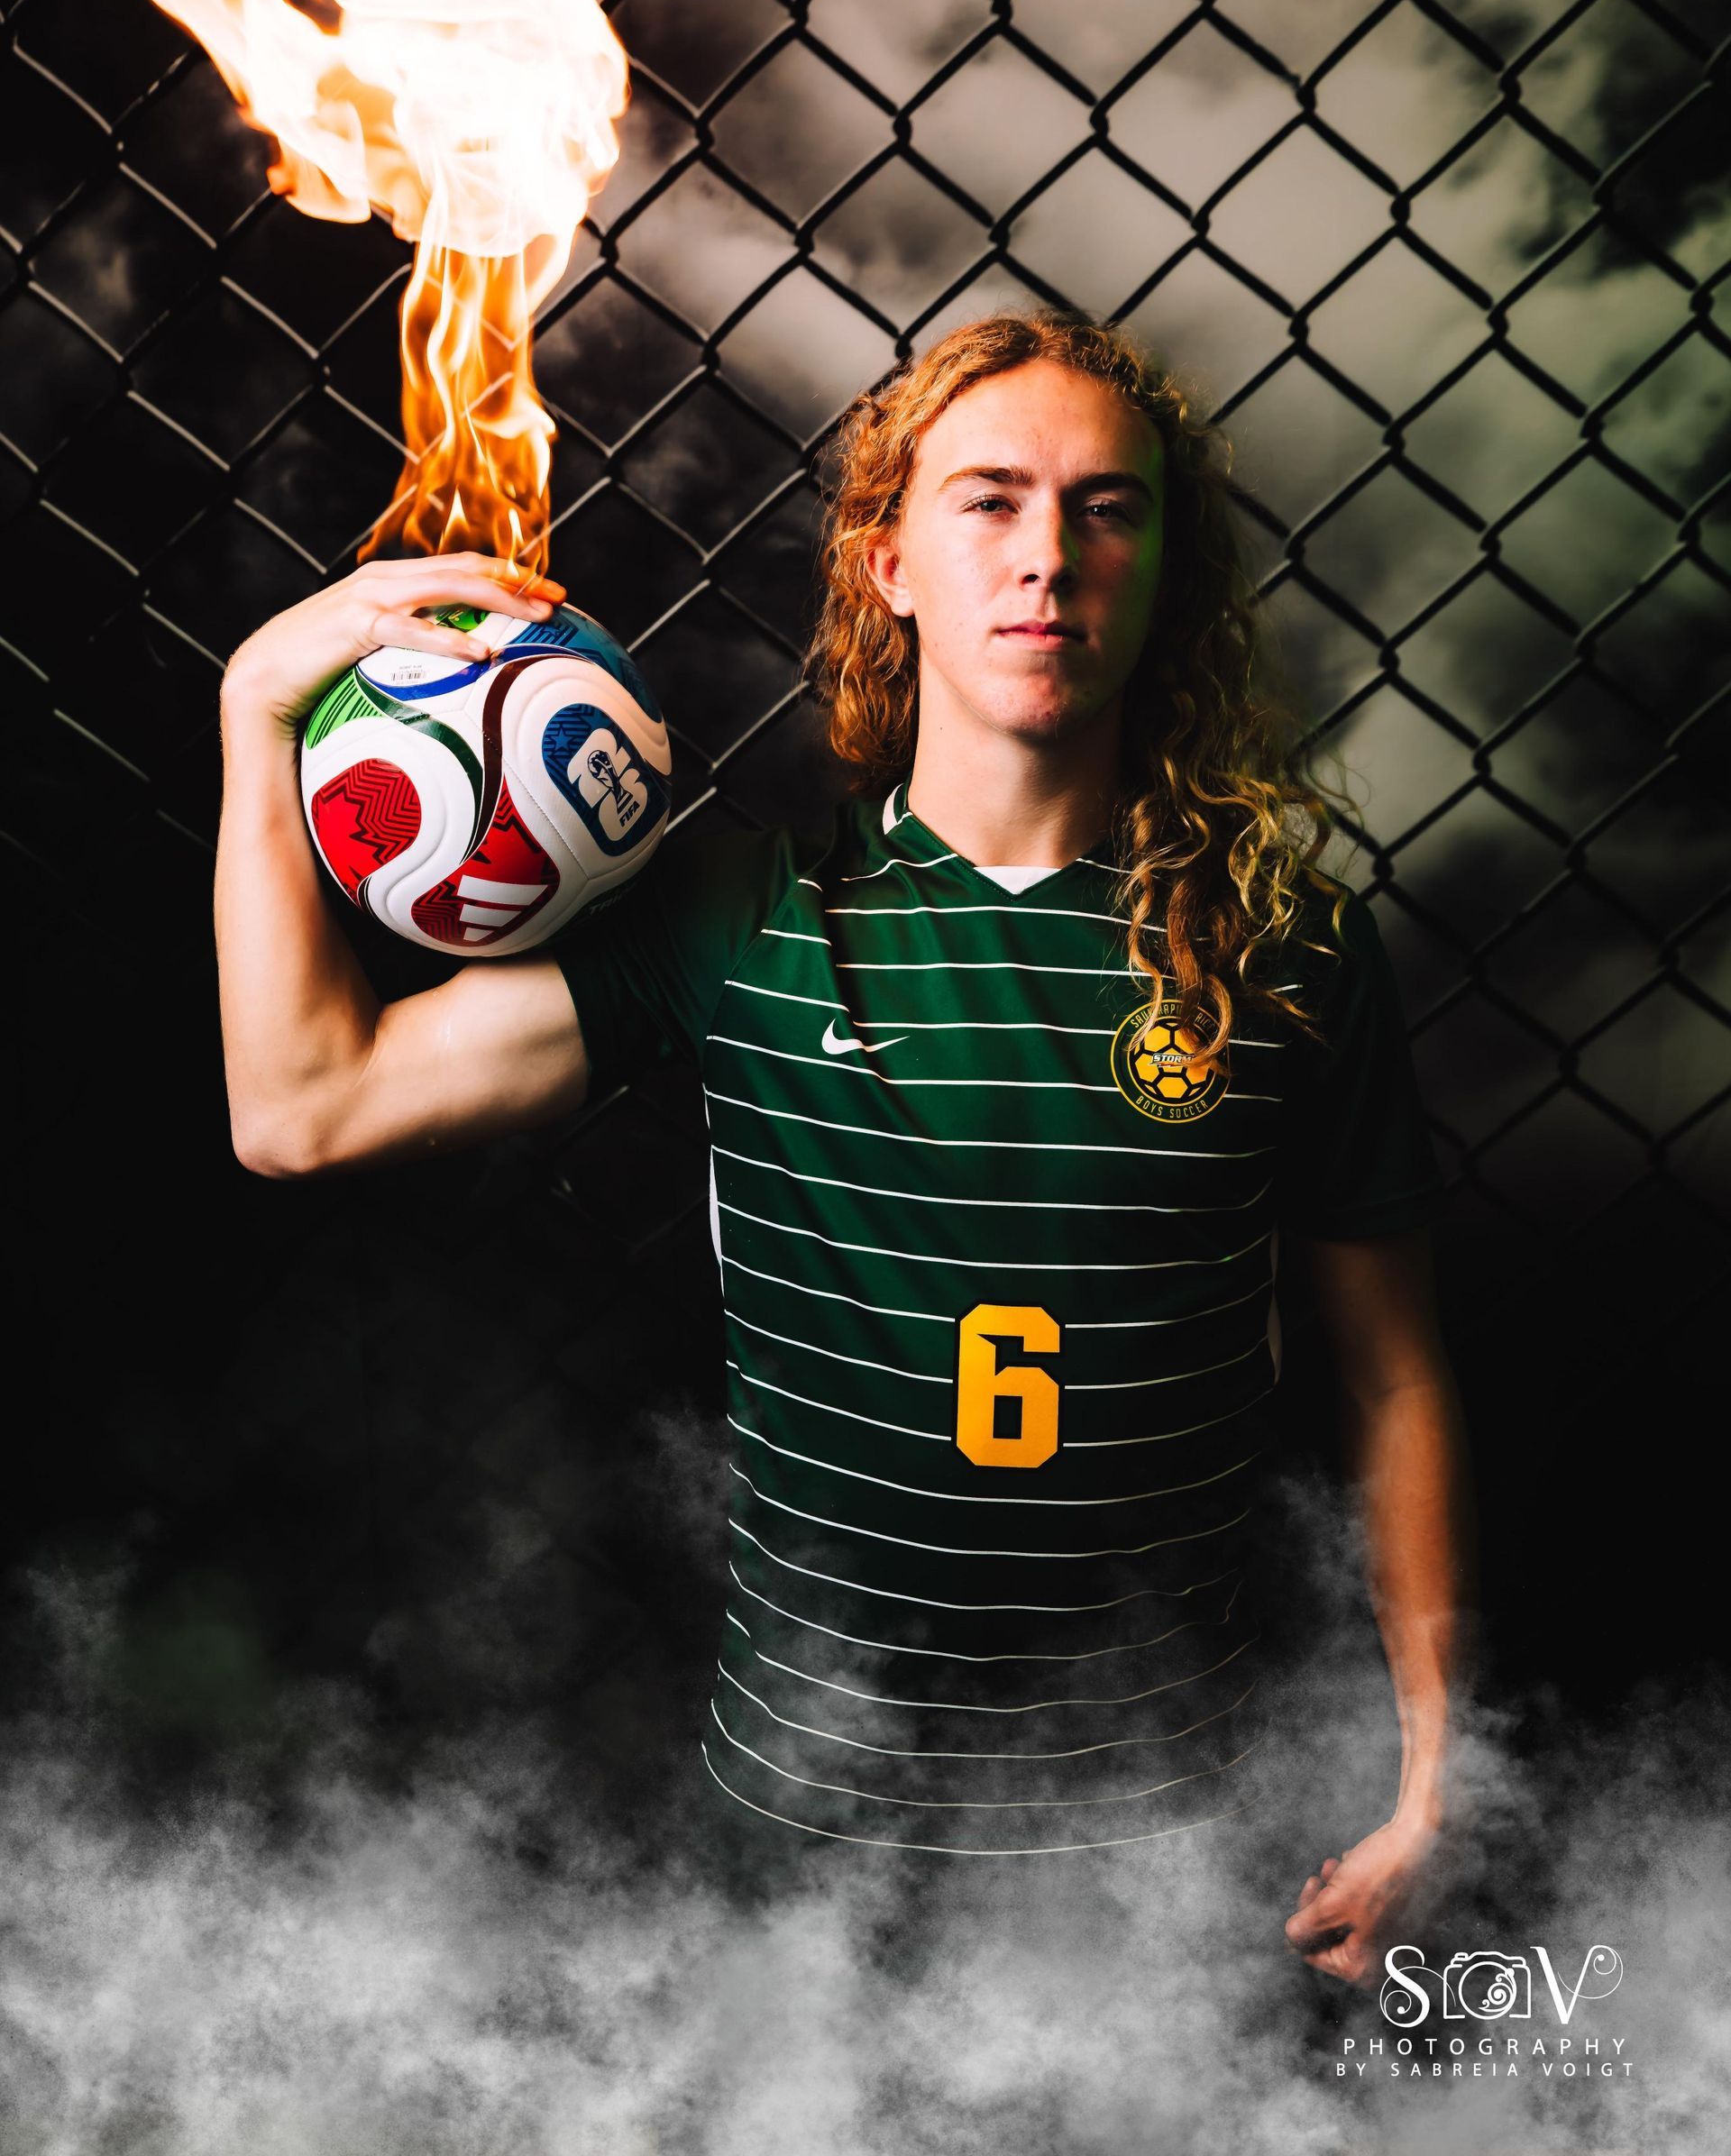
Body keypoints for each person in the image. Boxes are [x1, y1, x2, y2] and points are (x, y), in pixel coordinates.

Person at [216, 308, 1469, 1987]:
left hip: (1174, 1838)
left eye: (1108, 509)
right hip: (805, 1845)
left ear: (1163, 570)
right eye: (990, 502)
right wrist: (257, 709)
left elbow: (1395, 1382)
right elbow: (302, 1106)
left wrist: (1438, 1784)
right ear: (889, 565)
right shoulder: (739, 914)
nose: (1049, 559)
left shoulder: (1282, 947)